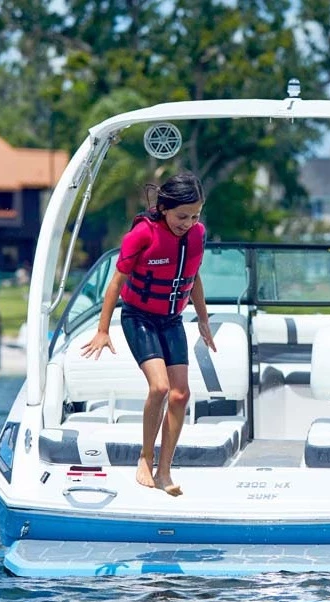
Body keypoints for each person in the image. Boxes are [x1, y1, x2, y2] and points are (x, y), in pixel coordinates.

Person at [81, 172, 216, 496]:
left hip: (171, 319)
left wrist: (203, 320)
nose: (188, 222)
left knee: (181, 394)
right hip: (139, 316)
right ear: (165, 208)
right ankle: (144, 457)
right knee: (160, 387)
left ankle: (164, 470)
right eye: (182, 216)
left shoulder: (198, 235)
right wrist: (102, 330)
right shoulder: (142, 235)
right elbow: (116, 283)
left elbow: (193, 278)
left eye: (195, 216)